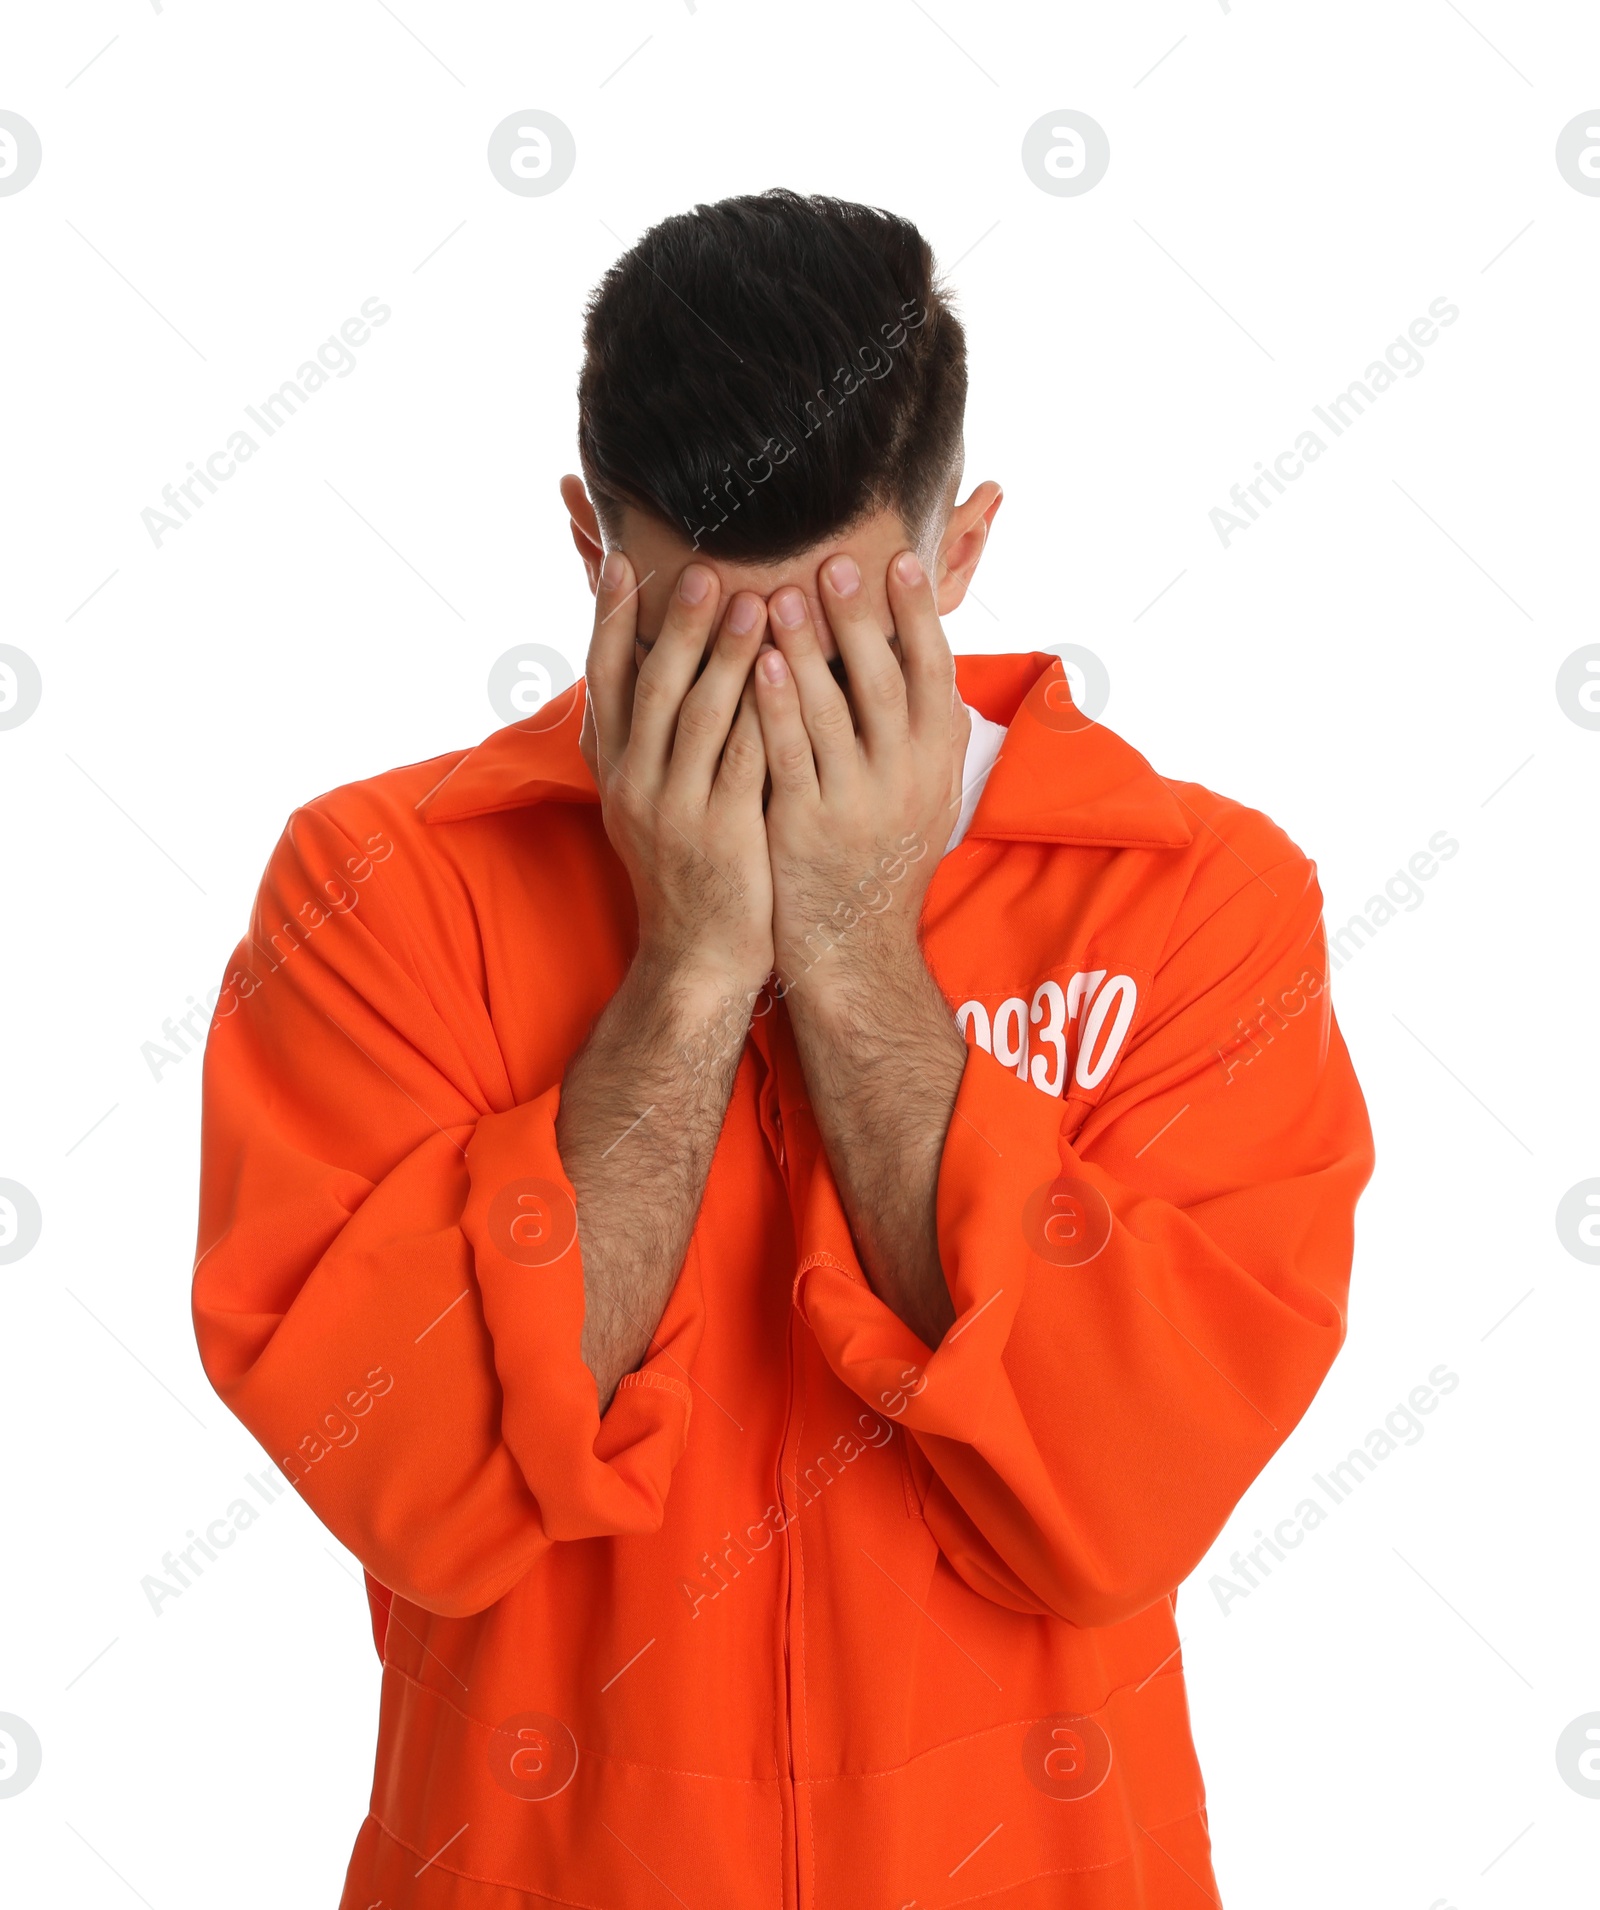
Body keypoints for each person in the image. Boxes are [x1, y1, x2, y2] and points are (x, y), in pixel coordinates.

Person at [193, 189, 1374, 1908]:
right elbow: (410, 1477)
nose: (763, 701)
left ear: (956, 555)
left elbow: (1125, 1494)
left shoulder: (1203, 904)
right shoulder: (378, 890)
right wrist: (683, 974)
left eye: (826, 636)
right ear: (591, 546)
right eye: (690, 630)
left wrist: (852, 954)